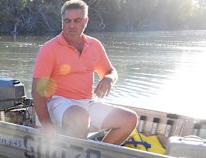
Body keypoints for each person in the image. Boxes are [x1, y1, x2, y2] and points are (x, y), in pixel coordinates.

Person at [32, 0, 137, 145]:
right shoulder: (49, 49)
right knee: (80, 117)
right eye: (67, 21)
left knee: (130, 119)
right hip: (57, 103)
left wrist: (109, 78)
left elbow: (111, 71)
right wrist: (46, 123)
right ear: (62, 22)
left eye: (77, 20)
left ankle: (98, 155)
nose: (72, 26)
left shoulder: (94, 45)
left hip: (86, 103)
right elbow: (37, 91)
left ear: (85, 21)